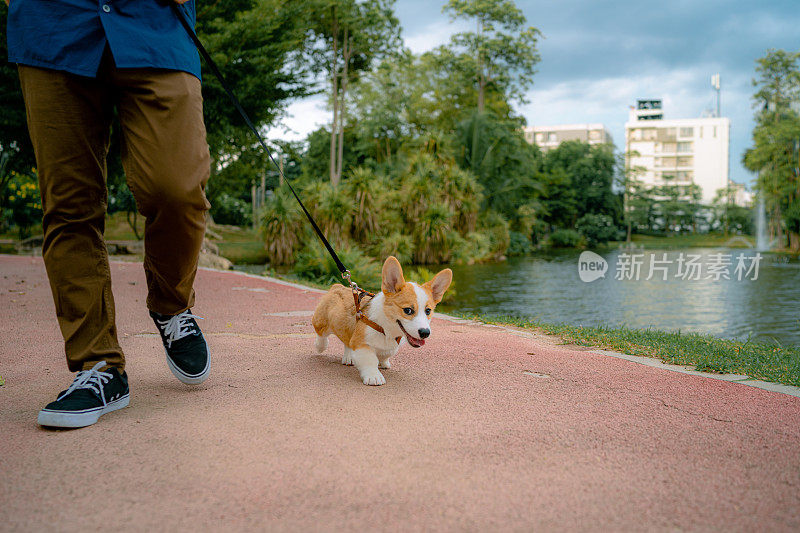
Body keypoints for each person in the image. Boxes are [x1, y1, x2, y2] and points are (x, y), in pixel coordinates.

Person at [6, 0, 213, 428]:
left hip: (155, 26)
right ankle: (98, 367)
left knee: (177, 189)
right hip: (52, 27)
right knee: (69, 206)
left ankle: (172, 306)